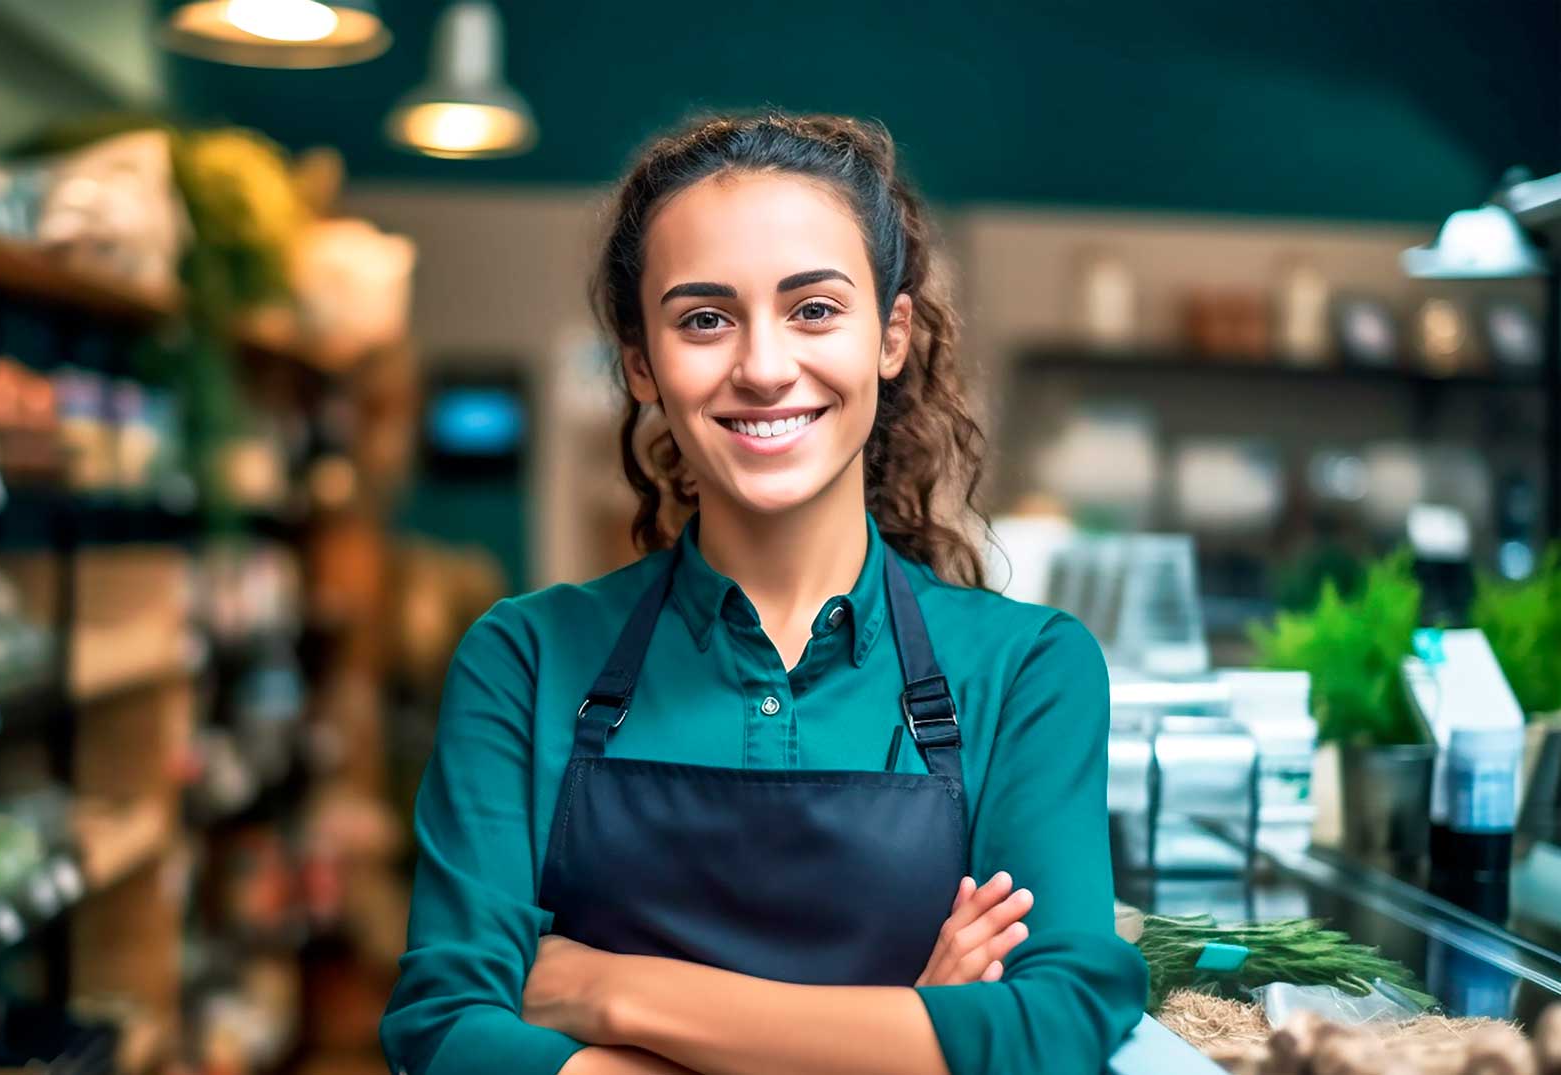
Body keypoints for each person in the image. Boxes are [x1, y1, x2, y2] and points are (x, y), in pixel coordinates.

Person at [378, 112, 1148, 1075]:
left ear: (892, 334)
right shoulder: (525, 657)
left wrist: (619, 994)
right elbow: (447, 1029)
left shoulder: (1028, 669)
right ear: (641, 363)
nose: (764, 366)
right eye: (704, 318)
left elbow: (1064, 1022)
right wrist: (910, 1032)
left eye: (814, 309)